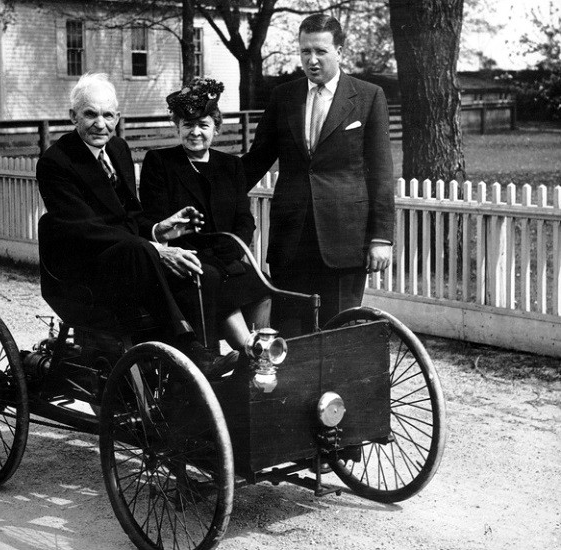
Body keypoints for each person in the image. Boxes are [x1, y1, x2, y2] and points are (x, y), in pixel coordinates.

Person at [36, 72, 238, 374]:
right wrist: (155, 249)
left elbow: (128, 216)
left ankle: (190, 376)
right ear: (73, 117)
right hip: (82, 271)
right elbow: (85, 229)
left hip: (127, 259)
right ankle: (189, 352)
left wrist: (159, 229)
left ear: (117, 118)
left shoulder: (118, 149)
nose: (100, 124)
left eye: (108, 115)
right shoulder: (56, 162)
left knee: (203, 273)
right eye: (90, 114)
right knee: (142, 251)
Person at [242, 14, 395, 334]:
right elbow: (256, 160)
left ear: (339, 51)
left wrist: (381, 238)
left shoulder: (368, 96)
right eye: (305, 51)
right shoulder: (284, 96)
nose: (312, 60)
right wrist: (208, 186)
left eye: (321, 51)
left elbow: (380, 172)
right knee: (290, 334)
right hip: (291, 238)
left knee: (339, 332)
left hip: (345, 239)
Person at [139, 77, 271, 353]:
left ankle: (257, 351)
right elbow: (154, 220)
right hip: (184, 261)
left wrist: (234, 248)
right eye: (188, 125)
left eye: (203, 125)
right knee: (211, 280)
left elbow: (244, 219)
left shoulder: (231, 166)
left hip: (226, 257)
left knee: (263, 286)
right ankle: (244, 354)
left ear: (216, 128)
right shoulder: (160, 163)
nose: (195, 132)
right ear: (177, 127)